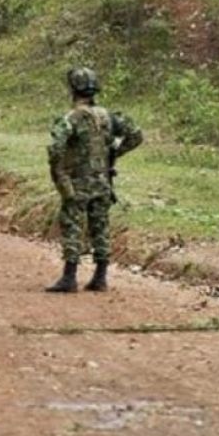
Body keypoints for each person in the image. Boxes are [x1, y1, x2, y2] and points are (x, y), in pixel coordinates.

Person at [45, 67, 142, 293]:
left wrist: (60, 174)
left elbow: (55, 148)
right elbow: (136, 135)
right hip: (102, 182)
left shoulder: (70, 119)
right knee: (100, 227)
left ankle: (69, 277)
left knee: (72, 226)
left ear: (73, 89)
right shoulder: (108, 116)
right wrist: (113, 154)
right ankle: (100, 276)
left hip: (78, 183)